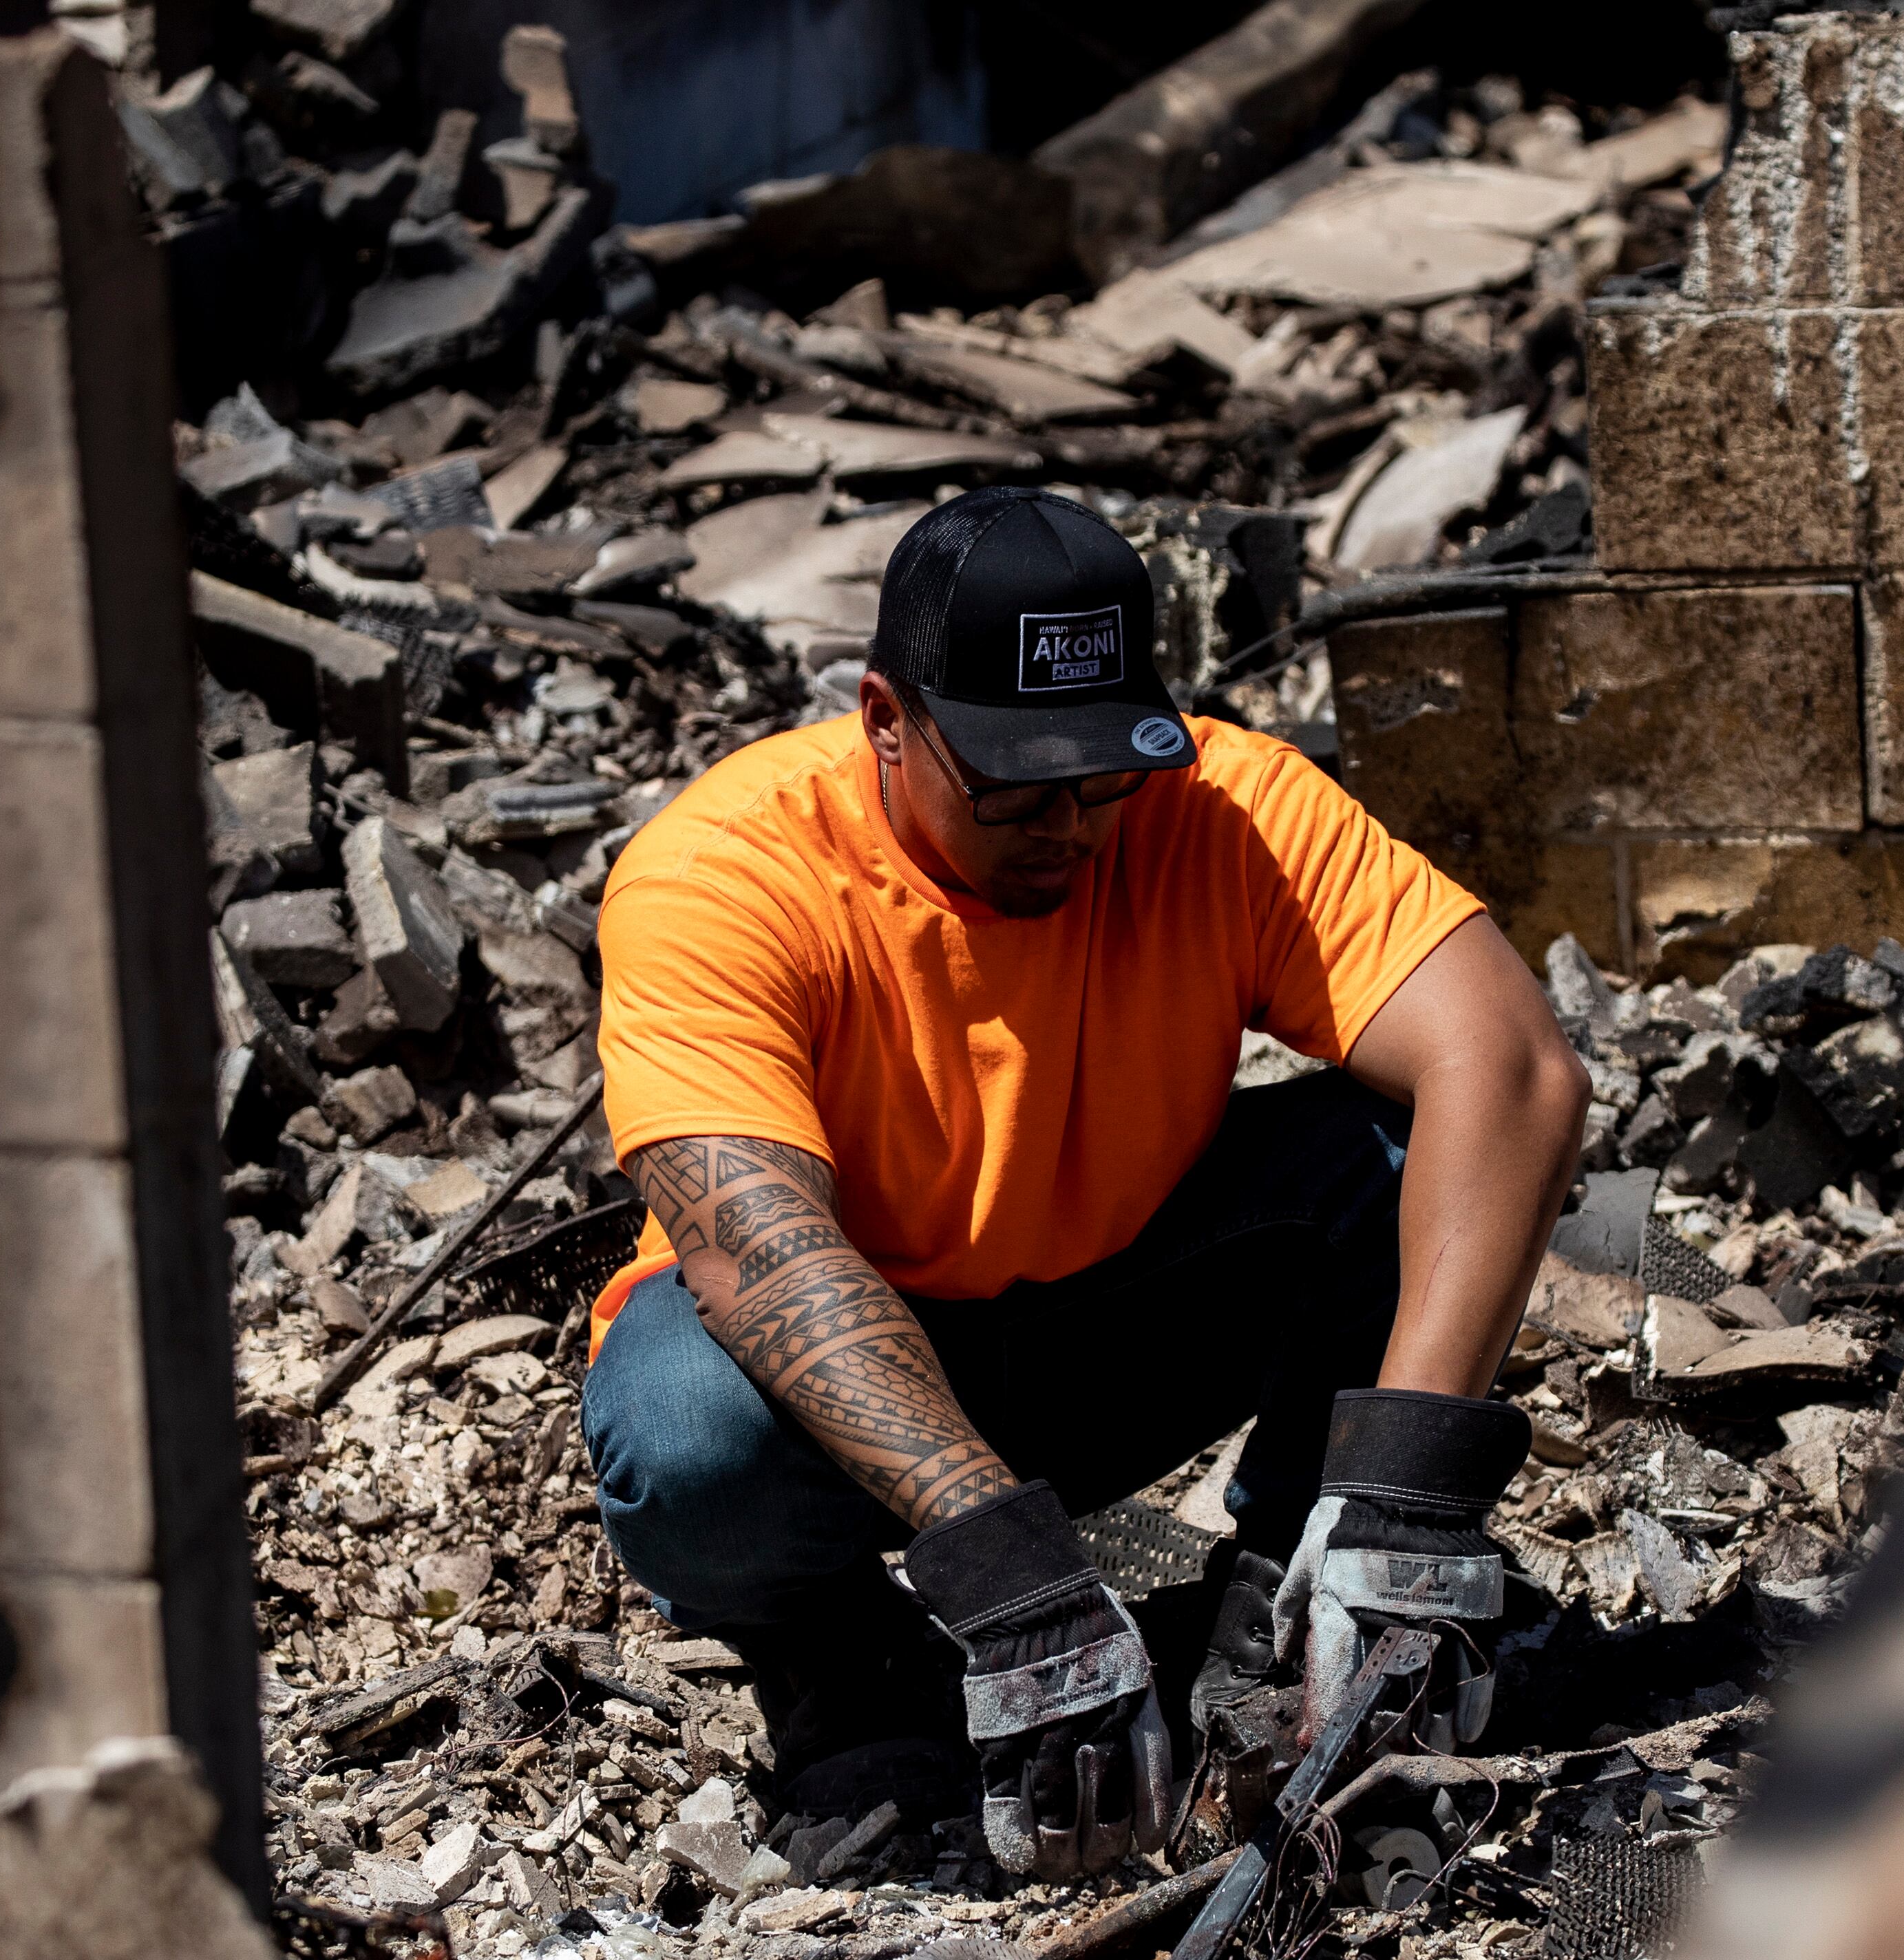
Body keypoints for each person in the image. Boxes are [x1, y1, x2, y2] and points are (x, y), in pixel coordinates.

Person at [581, 487, 1587, 1880]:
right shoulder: (726, 875)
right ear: (886, 717)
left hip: (1112, 1325)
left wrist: (1403, 1490)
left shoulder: (1215, 808)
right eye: (1012, 778)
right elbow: (762, 1256)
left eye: (1103, 770)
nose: (1071, 822)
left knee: (1413, 1150)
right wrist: (1013, 1576)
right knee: (684, 1425)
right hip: (834, 1402)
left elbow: (1517, 1066)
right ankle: (854, 1678)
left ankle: (1285, 1600)